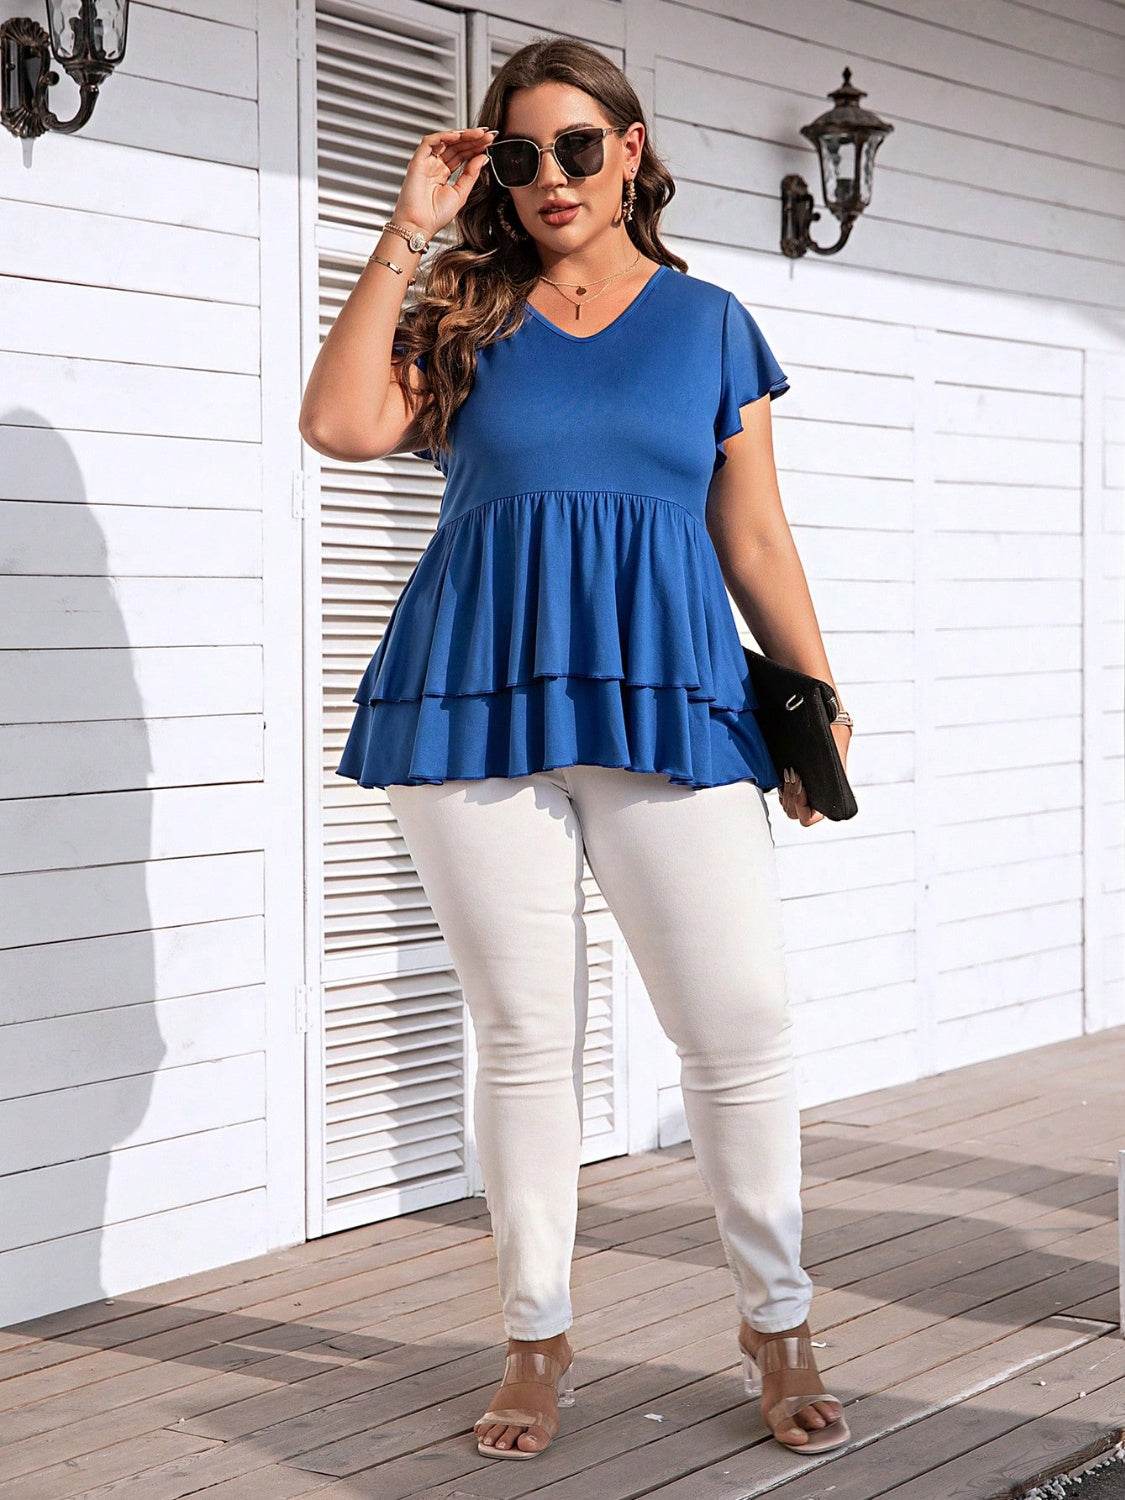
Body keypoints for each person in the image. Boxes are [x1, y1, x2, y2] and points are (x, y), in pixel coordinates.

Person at [299, 36, 853, 1463]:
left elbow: (752, 532)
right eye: (522, 154)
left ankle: (777, 1320)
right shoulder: (465, 311)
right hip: (472, 691)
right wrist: (409, 227)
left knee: (735, 1025)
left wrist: (812, 692)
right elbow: (340, 423)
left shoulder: (710, 324)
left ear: (630, 150)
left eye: (577, 146)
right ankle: (534, 1335)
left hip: (669, 689)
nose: (552, 176)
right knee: (524, 1035)